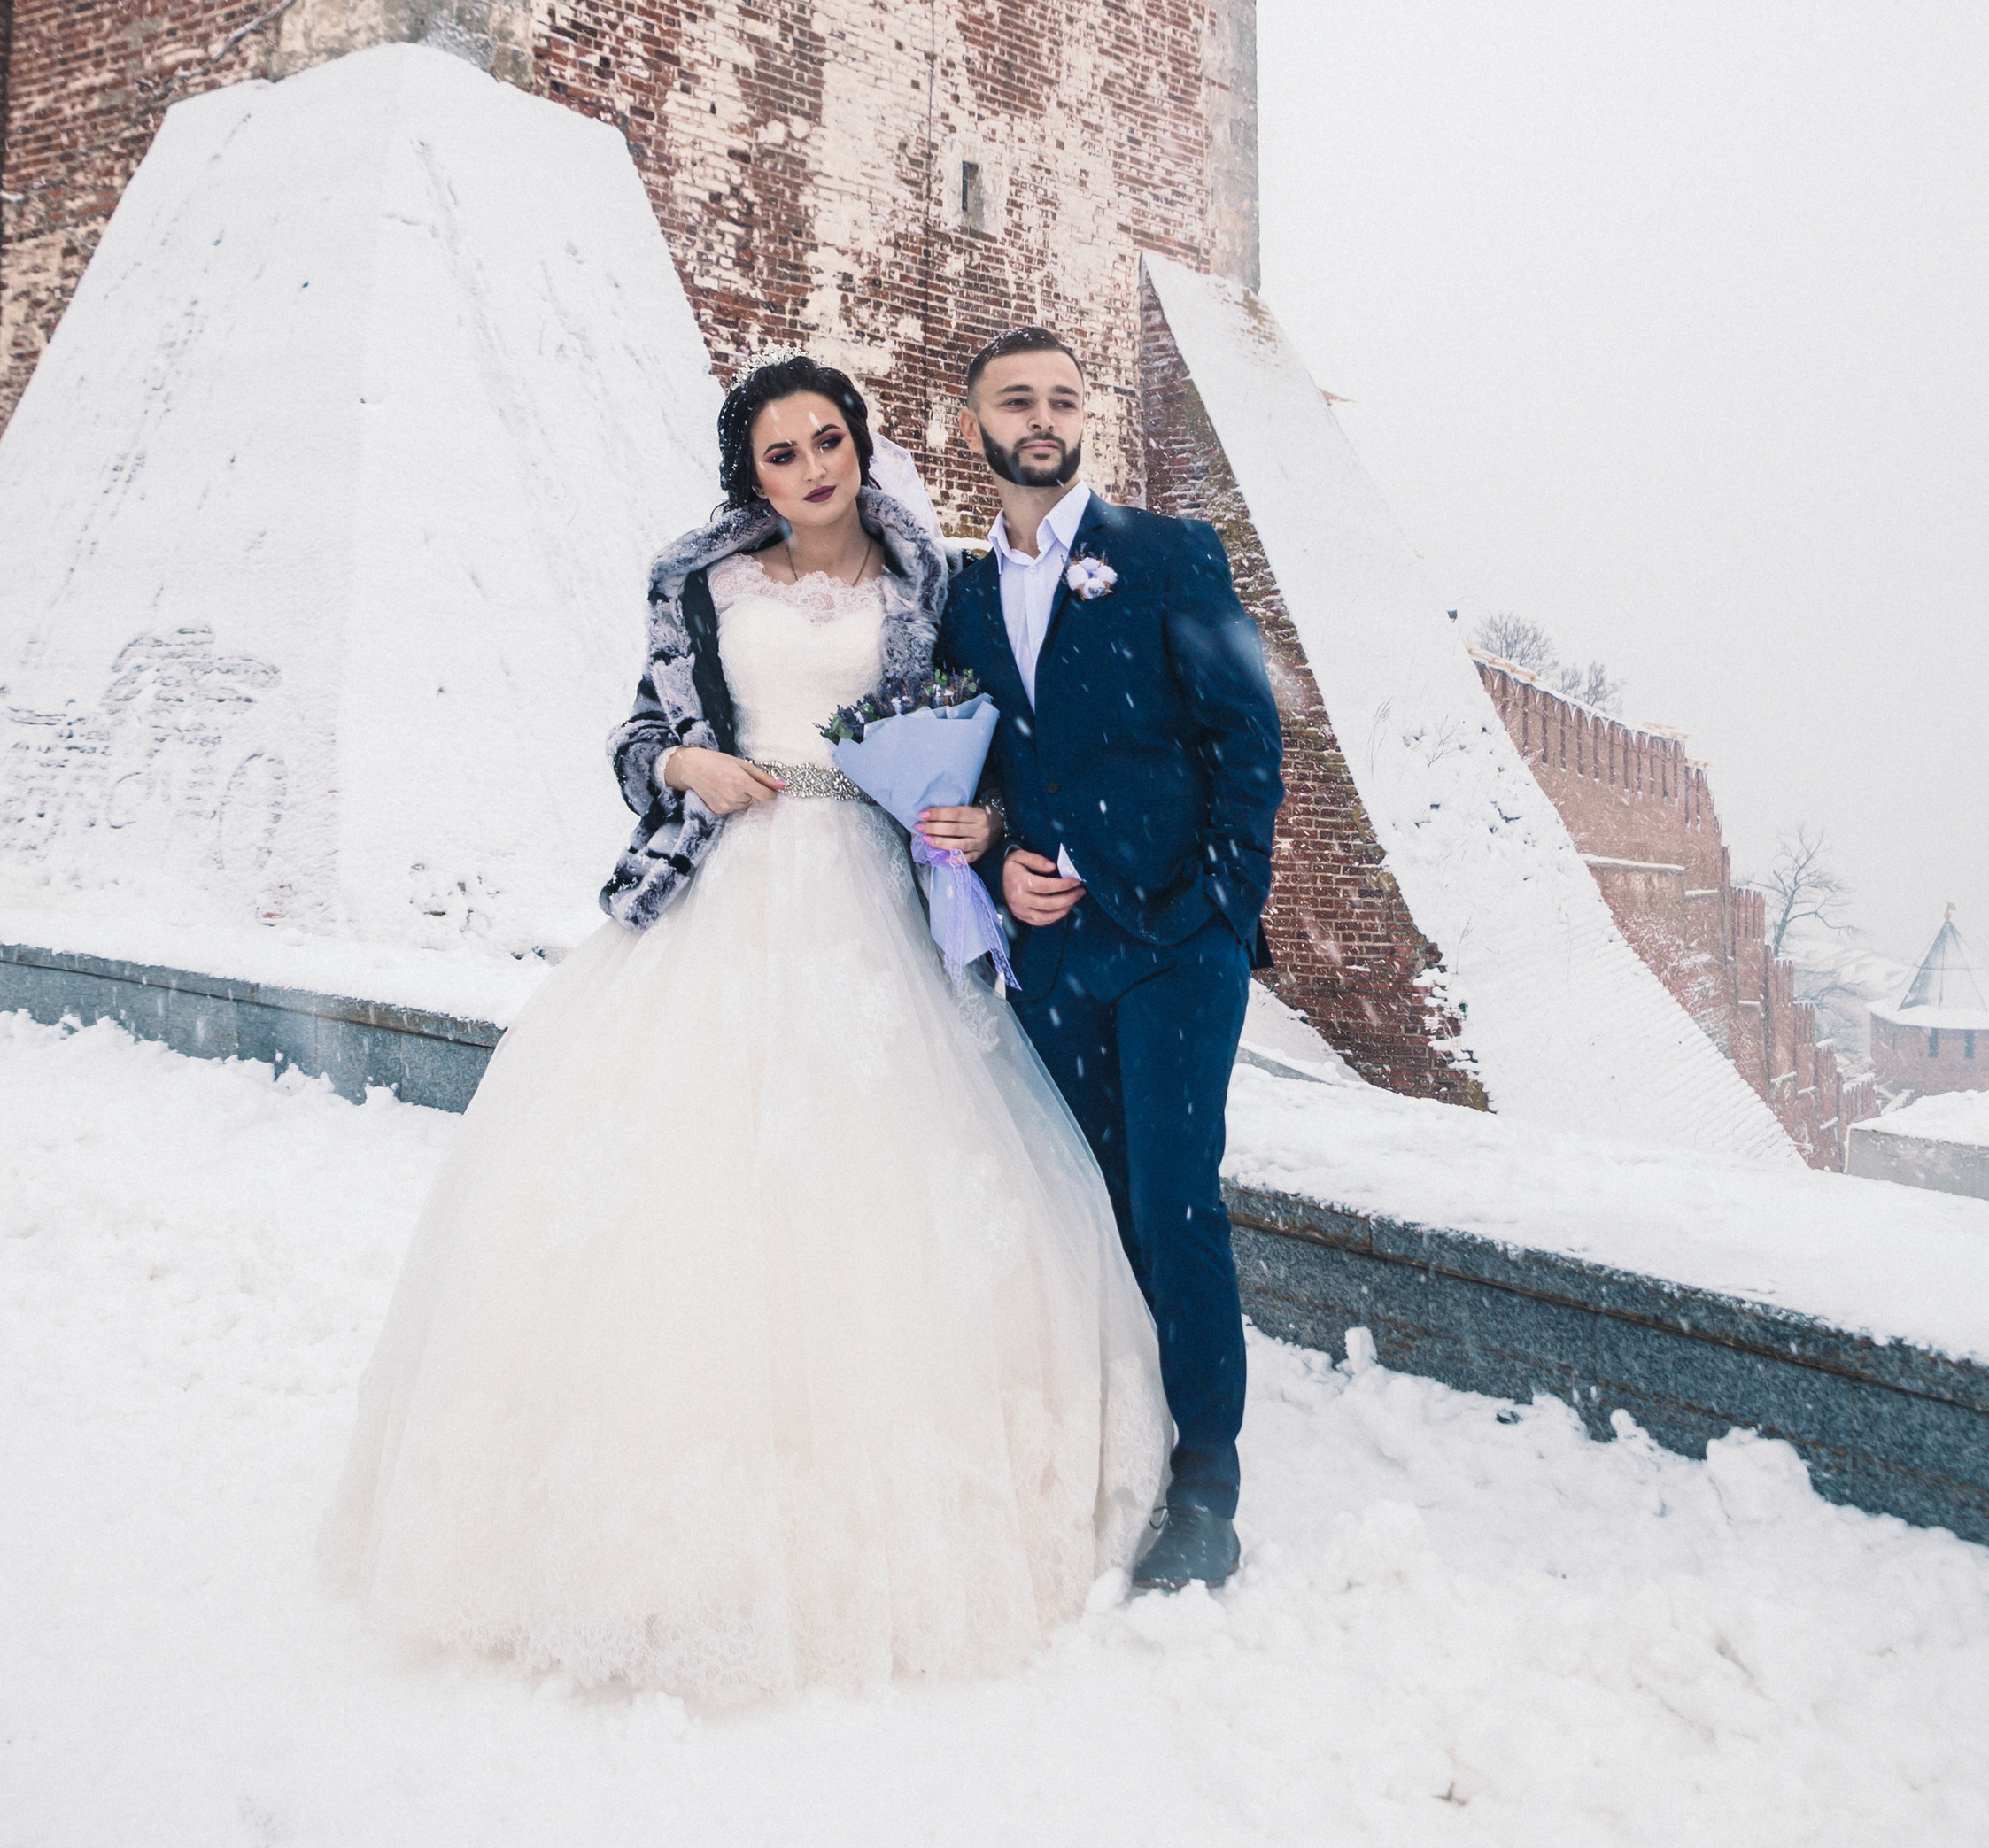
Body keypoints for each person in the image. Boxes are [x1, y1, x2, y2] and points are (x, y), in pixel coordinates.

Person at [321, 354, 1169, 1705]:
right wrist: (682, 763)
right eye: (782, 454)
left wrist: (987, 820)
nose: (813, 469)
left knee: (879, 1188)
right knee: (685, 1190)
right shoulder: (699, 586)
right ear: (750, 477)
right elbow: (634, 735)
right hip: (725, 884)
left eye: (828, 440)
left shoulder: (930, 584)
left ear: (860, 444)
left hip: (876, 902)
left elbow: (996, 744)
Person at [940, 328, 1282, 1594]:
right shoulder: (961, 598)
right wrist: (998, 860)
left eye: (1064, 400)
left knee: (1175, 1202)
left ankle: (1205, 1485)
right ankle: (1120, 1441)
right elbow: (979, 769)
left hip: (1176, 943)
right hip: (1053, 955)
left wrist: (1222, 906)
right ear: (972, 423)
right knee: (1085, 1207)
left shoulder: (1167, 554)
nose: (1043, 418)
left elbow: (1247, 739)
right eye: (1016, 400)